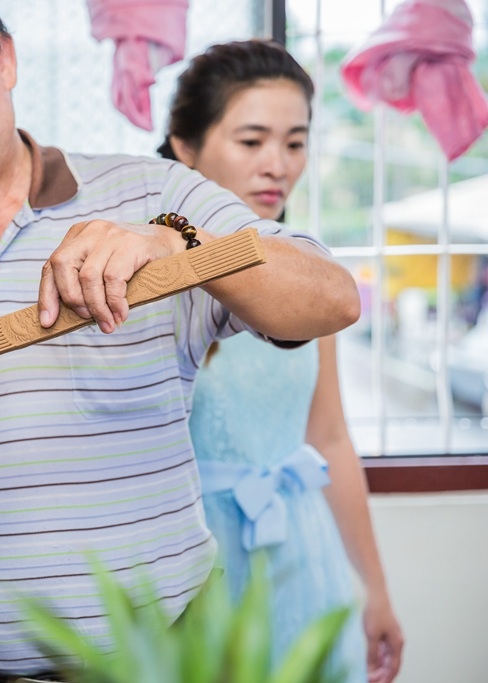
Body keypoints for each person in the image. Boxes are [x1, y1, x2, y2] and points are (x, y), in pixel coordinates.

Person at [0, 2, 359, 680]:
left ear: (3, 59)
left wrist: (175, 244)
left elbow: (331, 296)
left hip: (157, 660)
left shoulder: (150, 194)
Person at [158, 40, 404, 683]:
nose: (278, 165)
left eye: (294, 143)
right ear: (184, 148)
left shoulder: (307, 284)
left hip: (300, 550)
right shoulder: (147, 275)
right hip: (191, 561)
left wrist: (373, 588)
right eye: (251, 141)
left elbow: (330, 440)